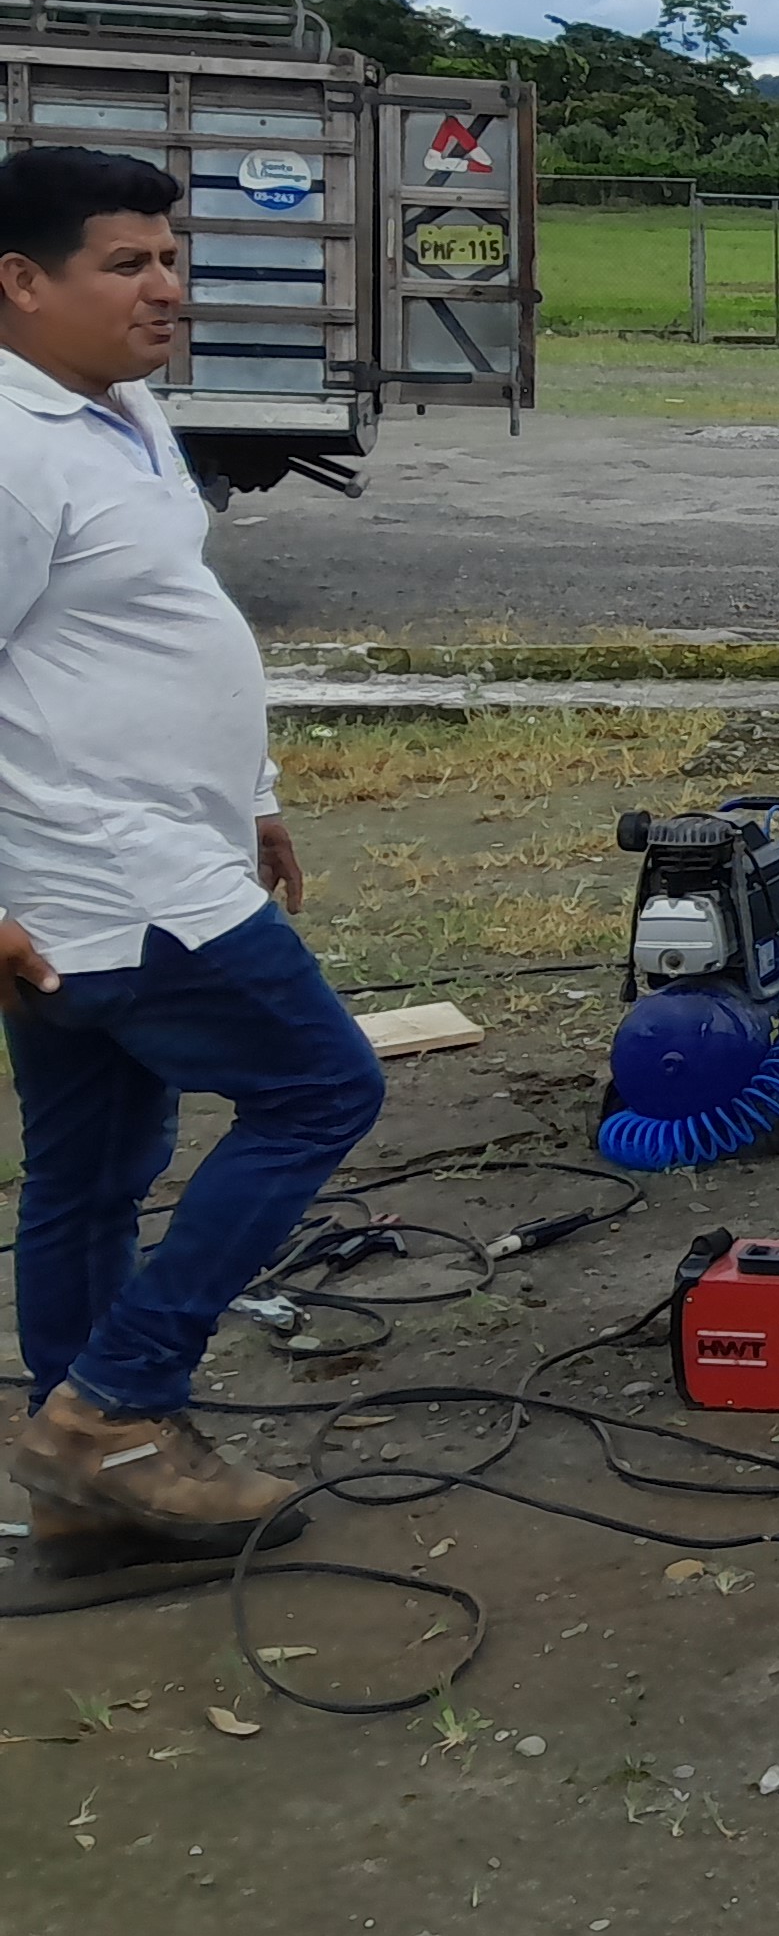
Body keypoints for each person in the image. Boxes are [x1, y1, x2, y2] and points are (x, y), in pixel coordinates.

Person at [2, 146, 375, 1574]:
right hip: (107, 876)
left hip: (158, 846)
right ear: (21, 281)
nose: (166, 288)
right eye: (126, 264)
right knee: (322, 1087)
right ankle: (113, 1410)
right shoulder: (12, 450)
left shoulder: (121, 408)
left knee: (92, 1168)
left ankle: (83, 1488)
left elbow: (159, 618)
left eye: (170, 258)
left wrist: (251, 793)